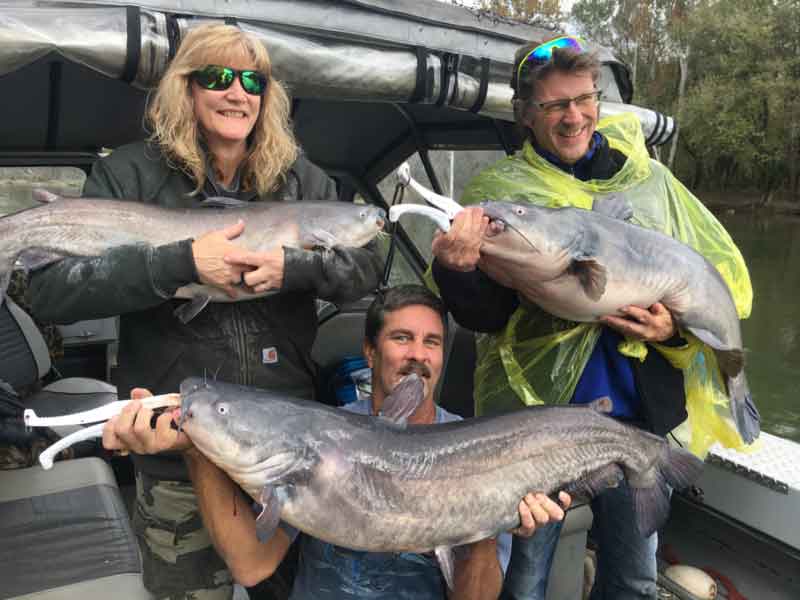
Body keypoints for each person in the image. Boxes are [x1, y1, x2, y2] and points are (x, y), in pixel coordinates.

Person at [28, 24, 383, 600]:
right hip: (176, 447)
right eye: (217, 77)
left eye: (252, 80)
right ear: (186, 89)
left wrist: (294, 269)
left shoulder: (303, 182)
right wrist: (180, 264)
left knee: (287, 589)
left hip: (286, 451)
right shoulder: (128, 176)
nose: (236, 93)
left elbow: (369, 268)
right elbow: (48, 293)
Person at [430, 36, 752, 600]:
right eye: (554, 105)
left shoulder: (647, 184)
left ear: (598, 101)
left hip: (640, 418)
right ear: (527, 115)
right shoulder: (500, 197)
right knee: (523, 578)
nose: (573, 115)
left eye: (583, 99)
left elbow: (705, 275)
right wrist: (458, 270)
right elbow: (485, 315)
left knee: (631, 577)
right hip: (538, 429)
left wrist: (671, 329)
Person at [102, 284, 573, 599]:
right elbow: (250, 566)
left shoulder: (484, 451)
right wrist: (195, 449)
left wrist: (485, 523)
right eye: (402, 338)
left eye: (432, 343)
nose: (417, 356)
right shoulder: (318, 438)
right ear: (370, 351)